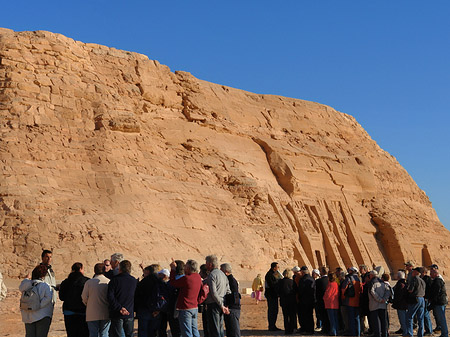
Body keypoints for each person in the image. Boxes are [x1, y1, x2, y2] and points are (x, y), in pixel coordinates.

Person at [169, 259, 203, 337]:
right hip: (194, 307)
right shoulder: (198, 276)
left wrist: (173, 270)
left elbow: (173, 282)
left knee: (187, 331)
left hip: (185, 308)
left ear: (188, 268)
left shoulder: (186, 278)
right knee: (194, 330)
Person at [20, 265, 55, 337]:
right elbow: (48, 298)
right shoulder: (45, 286)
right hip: (42, 315)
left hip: (28, 316)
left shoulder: (26, 284)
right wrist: (37, 306)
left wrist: (27, 278)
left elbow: (21, 286)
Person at [108, 260, 138, 337]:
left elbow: (110, 296)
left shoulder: (114, 280)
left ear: (120, 268)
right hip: (129, 312)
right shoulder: (133, 281)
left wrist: (120, 308)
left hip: (117, 312)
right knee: (129, 334)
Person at [59, 262, 90, 337]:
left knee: (71, 333)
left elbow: (61, 297)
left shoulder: (65, 282)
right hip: (83, 312)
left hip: (68, 312)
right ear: (80, 269)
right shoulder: (87, 281)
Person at [81, 263, 111, 337]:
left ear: (94, 271)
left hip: (92, 313)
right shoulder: (108, 281)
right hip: (105, 312)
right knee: (104, 333)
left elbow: (84, 297)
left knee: (93, 334)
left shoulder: (89, 282)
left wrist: (89, 304)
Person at [205, 255, 231, 337]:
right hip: (222, 303)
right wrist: (224, 305)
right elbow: (228, 291)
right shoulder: (223, 274)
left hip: (214, 304)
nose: (205, 265)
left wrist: (221, 305)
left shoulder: (212, 275)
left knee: (214, 329)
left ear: (210, 264)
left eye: (206, 263)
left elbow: (214, 293)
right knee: (220, 328)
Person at [134, 264, 163, 337]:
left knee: (143, 332)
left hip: (144, 310)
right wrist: (158, 309)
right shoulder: (160, 282)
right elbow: (163, 297)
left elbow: (137, 296)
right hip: (156, 311)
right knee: (152, 332)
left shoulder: (143, 283)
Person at [220, 263, 241, 337]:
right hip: (231, 308)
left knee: (234, 331)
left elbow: (234, 296)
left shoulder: (231, 281)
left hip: (232, 308)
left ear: (225, 271)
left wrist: (229, 307)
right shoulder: (228, 280)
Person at [368, 270, 391, 337]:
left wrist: (379, 299)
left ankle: (378, 334)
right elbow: (388, 291)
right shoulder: (383, 283)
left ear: (371, 275)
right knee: (383, 321)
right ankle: (384, 334)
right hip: (383, 305)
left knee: (376, 322)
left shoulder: (372, 283)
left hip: (374, 305)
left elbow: (372, 292)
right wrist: (384, 299)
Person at [406, 267, 426, 337]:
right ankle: (420, 334)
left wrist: (408, 289)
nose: (412, 273)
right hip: (422, 299)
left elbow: (411, 290)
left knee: (409, 316)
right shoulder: (422, 280)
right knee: (420, 318)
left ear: (417, 272)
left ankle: (410, 333)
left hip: (415, 298)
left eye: (414, 271)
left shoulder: (414, 279)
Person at [341, 267, 362, 337]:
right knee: (357, 318)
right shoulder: (359, 279)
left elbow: (343, 289)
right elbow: (361, 289)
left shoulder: (349, 279)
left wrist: (343, 297)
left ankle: (352, 333)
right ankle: (358, 333)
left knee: (351, 318)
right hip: (357, 301)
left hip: (350, 301)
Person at [296, 266, 316, 335]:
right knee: (310, 315)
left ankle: (307, 330)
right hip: (311, 300)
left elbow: (300, 290)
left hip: (304, 301)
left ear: (302, 272)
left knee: (305, 316)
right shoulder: (311, 279)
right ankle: (311, 329)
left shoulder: (303, 280)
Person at [429, 268, 448, 337]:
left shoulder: (438, 281)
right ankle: (444, 333)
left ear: (435, 274)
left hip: (440, 302)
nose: (430, 275)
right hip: (439, 302)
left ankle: (445, 334)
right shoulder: (436, 281)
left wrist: (432, 303)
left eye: (431, 273)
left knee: (442, 319)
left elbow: (436, 293)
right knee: (441, 319)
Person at [277, 269, 297, 335]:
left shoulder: (280, 282)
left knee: (285, 316)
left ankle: (286, 330)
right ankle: (291, 329)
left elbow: (278, 291)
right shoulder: (292, 282)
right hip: (292, 301)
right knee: (291, 315)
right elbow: (295, 291)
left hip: (283, 301)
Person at [265, 262, 281, 331]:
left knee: (275, 310)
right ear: (274, 268)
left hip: (274, 295)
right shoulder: (269, 275)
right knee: (272, 310)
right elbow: (272, 285)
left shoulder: (275, 274)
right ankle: (271, 326)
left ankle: (273, 325)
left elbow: (280, 279)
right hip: (271, 295)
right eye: (277, 267)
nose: (278, 268)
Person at [392, 270, 408, 336]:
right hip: (404, 304)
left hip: (401, 304)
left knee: (403, 319)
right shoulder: (405, 283)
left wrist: (394, 301)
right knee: (405, 319)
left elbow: (399, 295)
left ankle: (405, 332)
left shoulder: (400, 284)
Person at [323, 272, 340, 336]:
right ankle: (336, 331)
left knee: (332, 319)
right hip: (335, 303)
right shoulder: (336, 284)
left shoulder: (330, 284)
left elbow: (328, 294)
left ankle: (333, 332)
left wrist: (324, 298)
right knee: (335, 318)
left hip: (330, 303)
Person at [315, 267, 329, 334]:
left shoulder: (318, 281)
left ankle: (324, 329)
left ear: (322, 272)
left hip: (321, 300)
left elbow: (316, 291)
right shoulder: (330, 280)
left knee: (323, 316)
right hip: (329, 301)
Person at [420, 267, 433, 335]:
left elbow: (429, 289)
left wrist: (428, 297)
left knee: (425, 314)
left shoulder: (427, 279)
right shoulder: (421, 278)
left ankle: (429, 330)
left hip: (426, 299)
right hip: (423, 298)